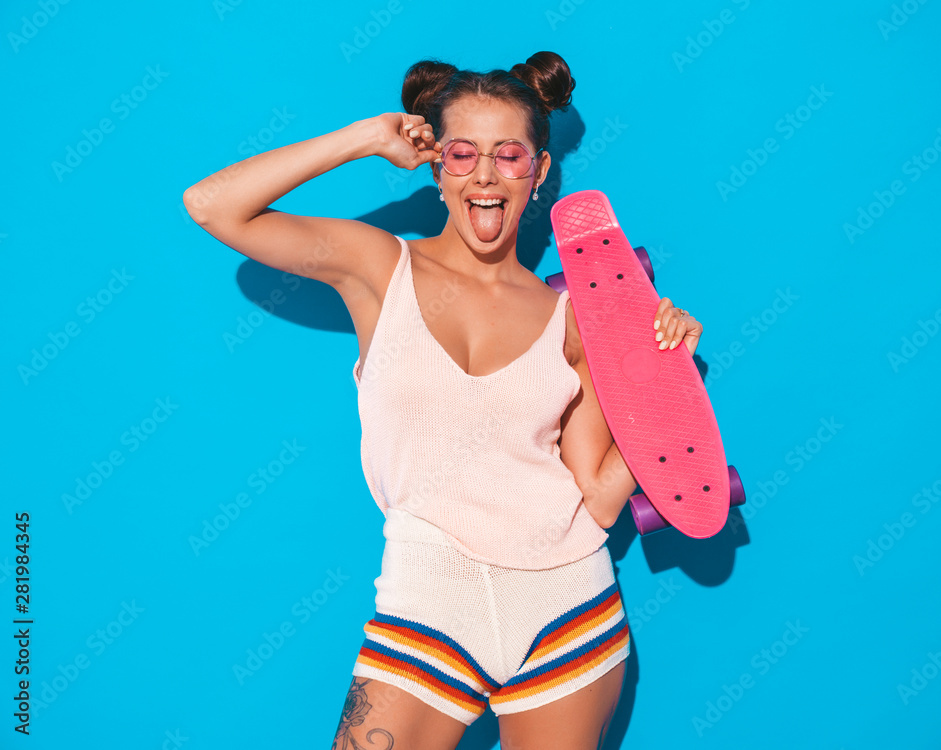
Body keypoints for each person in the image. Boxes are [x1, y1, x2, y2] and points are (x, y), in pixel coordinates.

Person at [183, 50, 703, 750]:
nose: (485, 176)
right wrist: (368, 137)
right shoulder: (377, 266)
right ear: (435, 166)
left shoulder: (572, 319)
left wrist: (662, 378)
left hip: (569, 610)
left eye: (509, 155)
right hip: (429, 605)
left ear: (540, 172)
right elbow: (213, 206)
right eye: (462, 153)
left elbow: (601, 499)